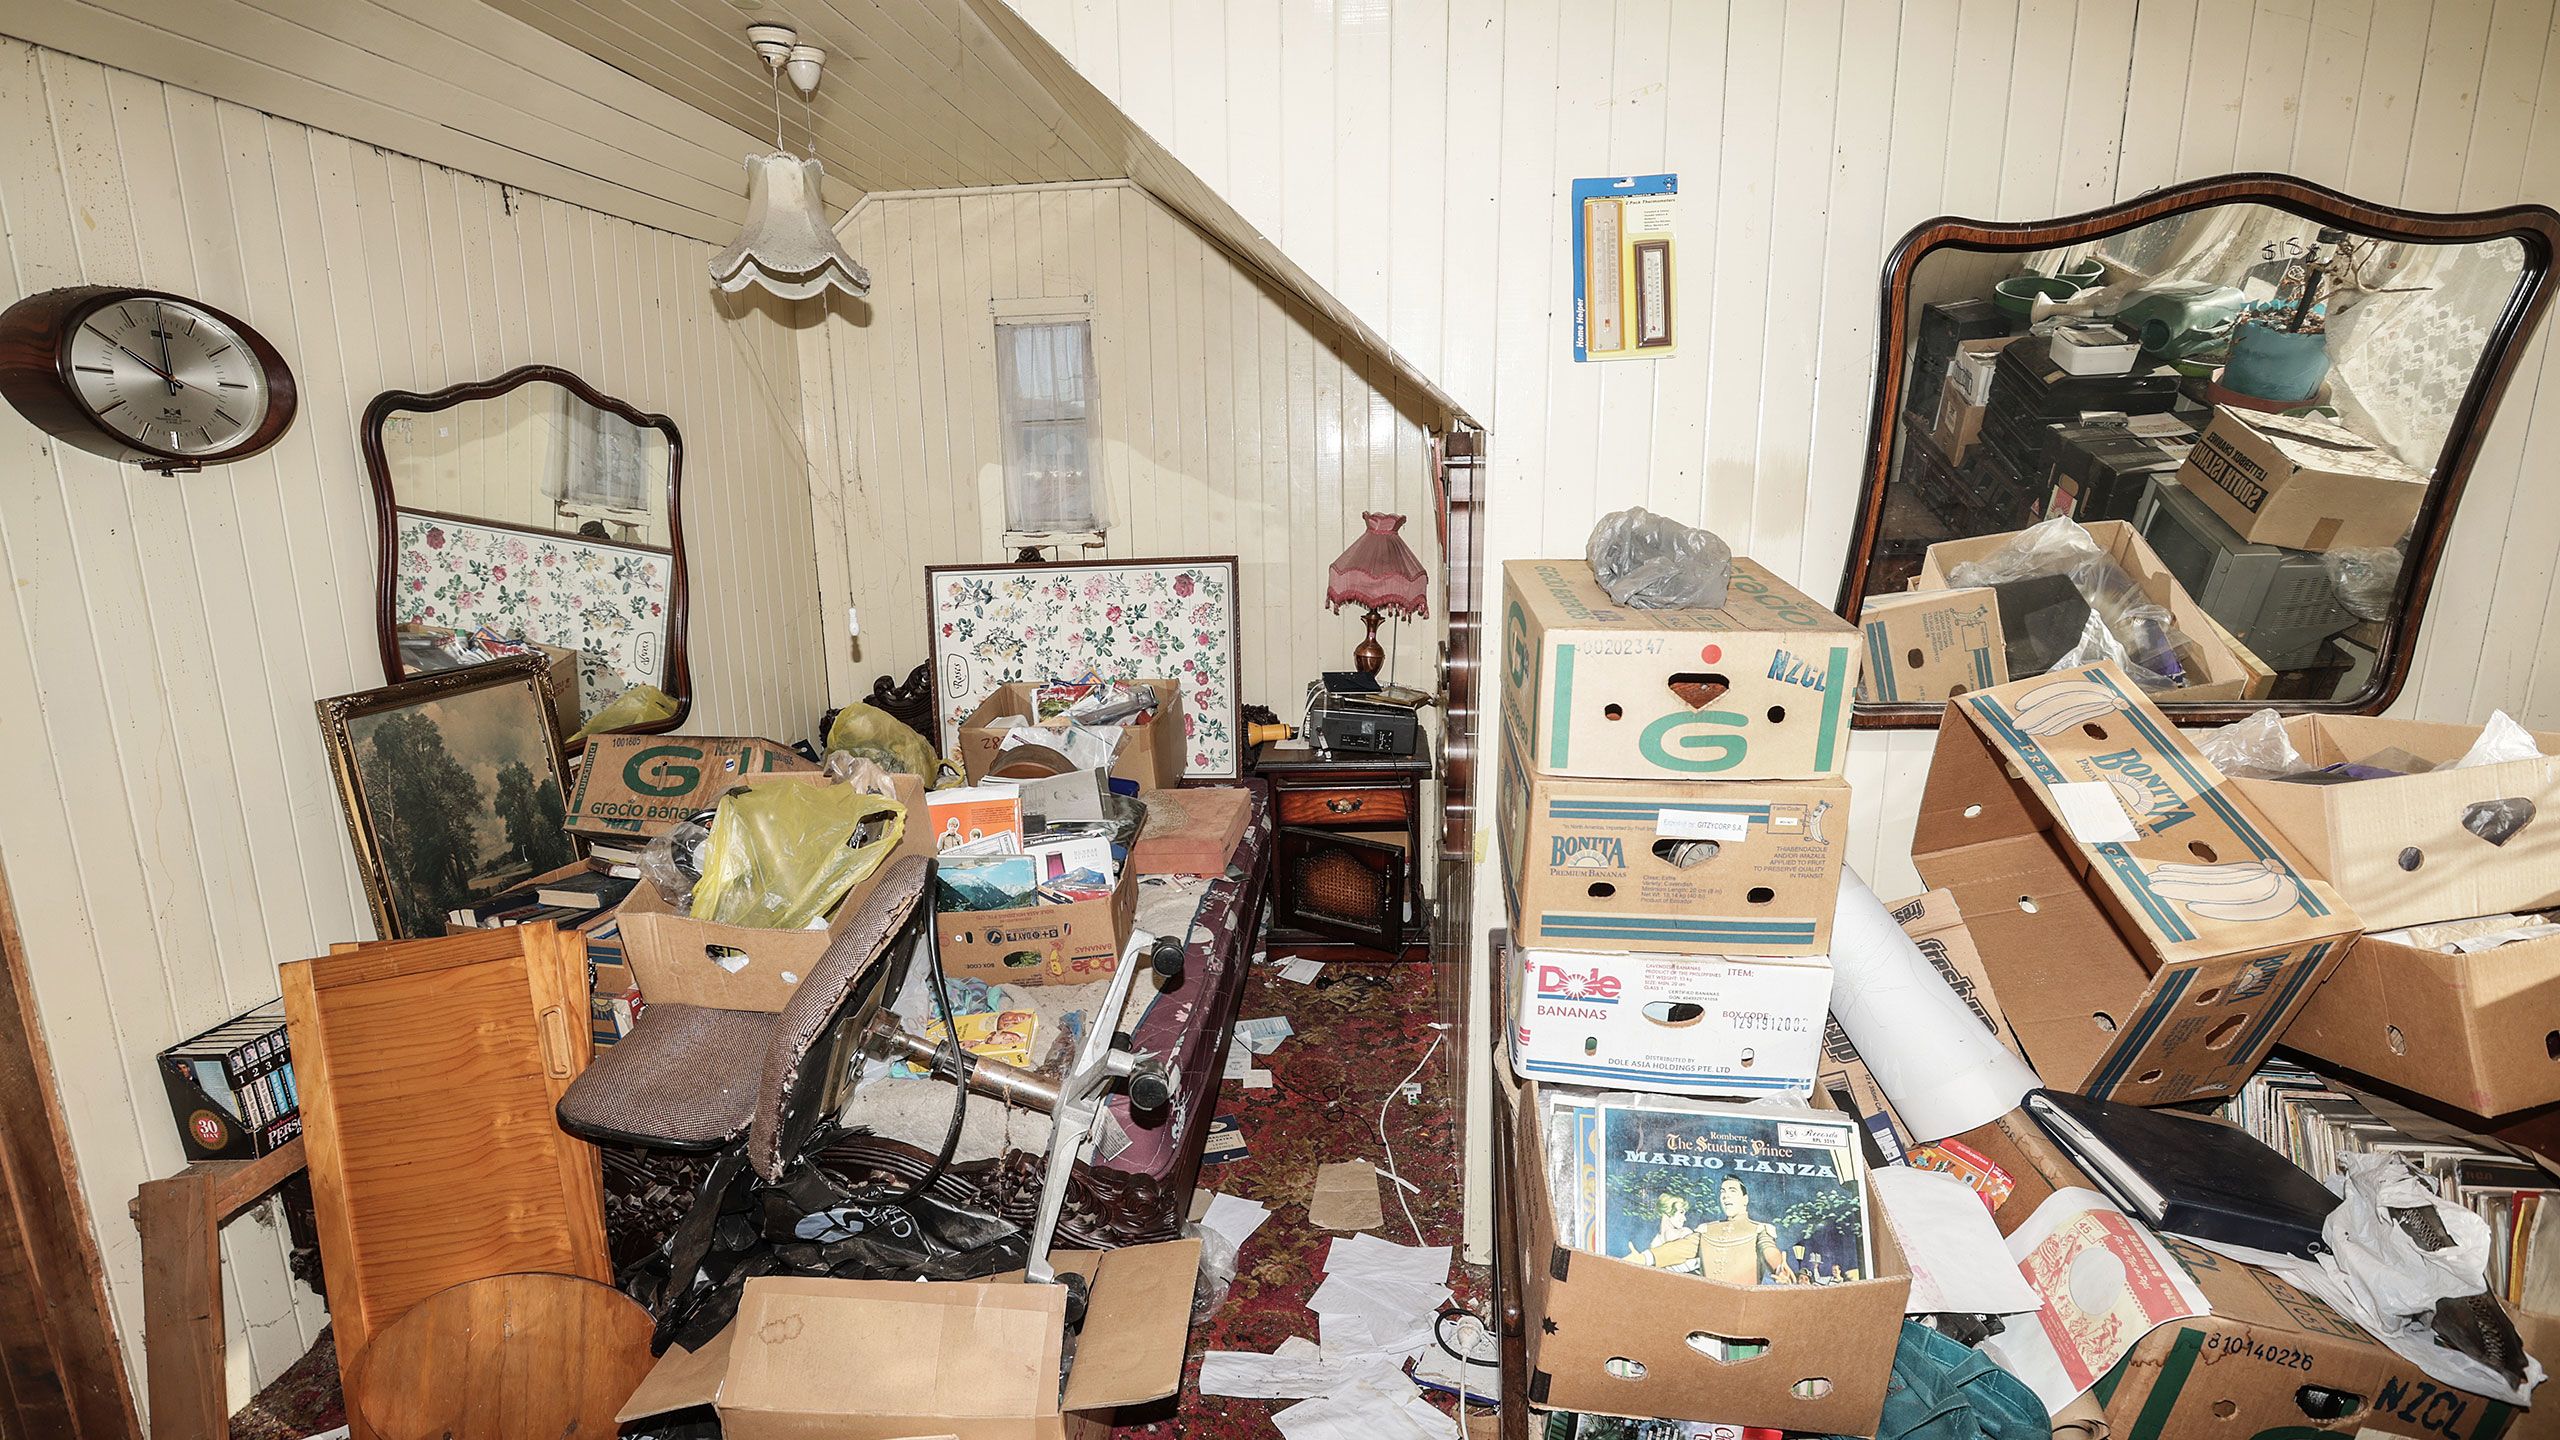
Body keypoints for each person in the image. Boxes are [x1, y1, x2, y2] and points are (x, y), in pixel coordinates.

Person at [1693, 1176, 1801, 1285]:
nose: (1726, 1196)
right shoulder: (1706, 1230)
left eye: (1732, 1191)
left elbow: (1768, 1249)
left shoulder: (1758, 1229)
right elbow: (1678, 1251)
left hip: (1744, 1299)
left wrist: (1779, 1269)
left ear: (1745, 1199)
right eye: (1723, 1192)